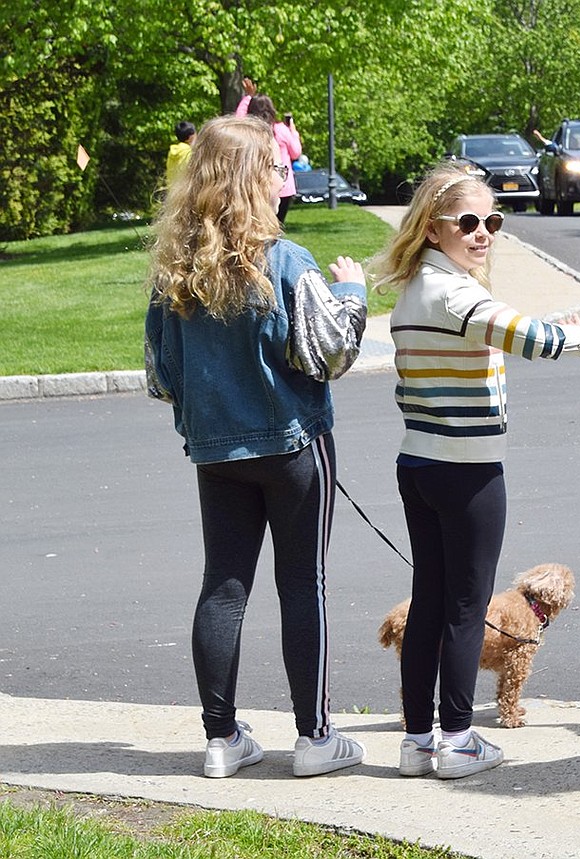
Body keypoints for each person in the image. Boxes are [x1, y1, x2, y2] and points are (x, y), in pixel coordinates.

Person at [144, 114, 369, 779]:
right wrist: (352, 292)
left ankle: (221, 738)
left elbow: (162, 376)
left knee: (224, 584)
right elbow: (331, 353)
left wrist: (204, 412)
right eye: (278, 167)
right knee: (304, 583)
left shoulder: (175, 273)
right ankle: (315, 737)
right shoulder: (287, 260)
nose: (286, 177)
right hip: (295, 444)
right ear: (252, 180)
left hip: (216, 449)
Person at [374, 163, 580, 779]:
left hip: (417, 462)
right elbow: (531, 336)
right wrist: (571, 335)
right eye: (467, 222)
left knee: (433, 602)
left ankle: (419, 741)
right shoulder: (456, 294)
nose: (482, 233)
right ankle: (460, 740)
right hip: (468, 469)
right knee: (466, 610)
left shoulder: (416, 289)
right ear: (433, 227)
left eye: (491, 222)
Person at [236, 78, 302, 224]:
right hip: (283, 186)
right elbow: (296, 153)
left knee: (255, 227)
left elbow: (238, 118)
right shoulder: (281, 130)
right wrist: (293, 130)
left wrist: (248, 97)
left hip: (255, 184)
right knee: (276, 228)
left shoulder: (248, 131)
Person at [165, 120, 195, 186]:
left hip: (172, 191)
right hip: (185, 192)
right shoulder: (188, 152)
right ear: (191, 137)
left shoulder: (172, 151)